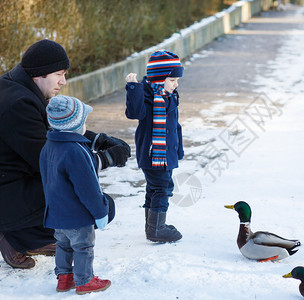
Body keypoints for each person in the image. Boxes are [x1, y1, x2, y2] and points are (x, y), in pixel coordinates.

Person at [0, 39, 130, 269]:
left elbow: (53, 132)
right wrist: (105, 159)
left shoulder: (15, 88)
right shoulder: (19, 104)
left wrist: (97, 139)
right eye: (59, 74)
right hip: (8, 196)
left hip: (12, 185)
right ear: (39, 73)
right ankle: (17, 237)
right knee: (97, 205)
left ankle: (24, 234)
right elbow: (54, 161)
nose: (63, 81)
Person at [40, 95, 111, 294]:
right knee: (83, 247)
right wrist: (100, 212)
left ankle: (64, 278)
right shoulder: (75, 151)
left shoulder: (48, 147)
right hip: (77, 216)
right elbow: (88, 188)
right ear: (75, 125)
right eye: (84, 120)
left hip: (56, 214)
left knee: (63, 245)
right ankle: (84, 280)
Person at [125, 50, 184, 243]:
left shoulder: (169, 96)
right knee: (162, 188)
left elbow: (175, 126)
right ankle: (157, 229)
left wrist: (179, 148)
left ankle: (152, 226)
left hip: (167, 152)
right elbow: (133, 113)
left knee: (154, 188)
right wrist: (133, 89)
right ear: (159, 79)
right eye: (173, 80)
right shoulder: (146, 97)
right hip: (153, 153)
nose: (176, 84)